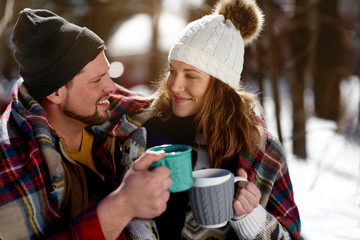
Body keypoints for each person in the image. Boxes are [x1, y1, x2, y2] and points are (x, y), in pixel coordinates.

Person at [120, 0, 302, 239]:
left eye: (191, 76)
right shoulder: (146, 136)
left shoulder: (262, 150)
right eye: (172, 71)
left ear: (220, 86)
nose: (175, 85)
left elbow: (292, 235)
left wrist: (249, 216)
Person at [0, 8, 172, 240]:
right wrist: (122, 206)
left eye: (107, 74)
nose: (112, 88)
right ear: (55, 93)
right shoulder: (13, 163)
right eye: (96, 80)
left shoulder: (118, 124)